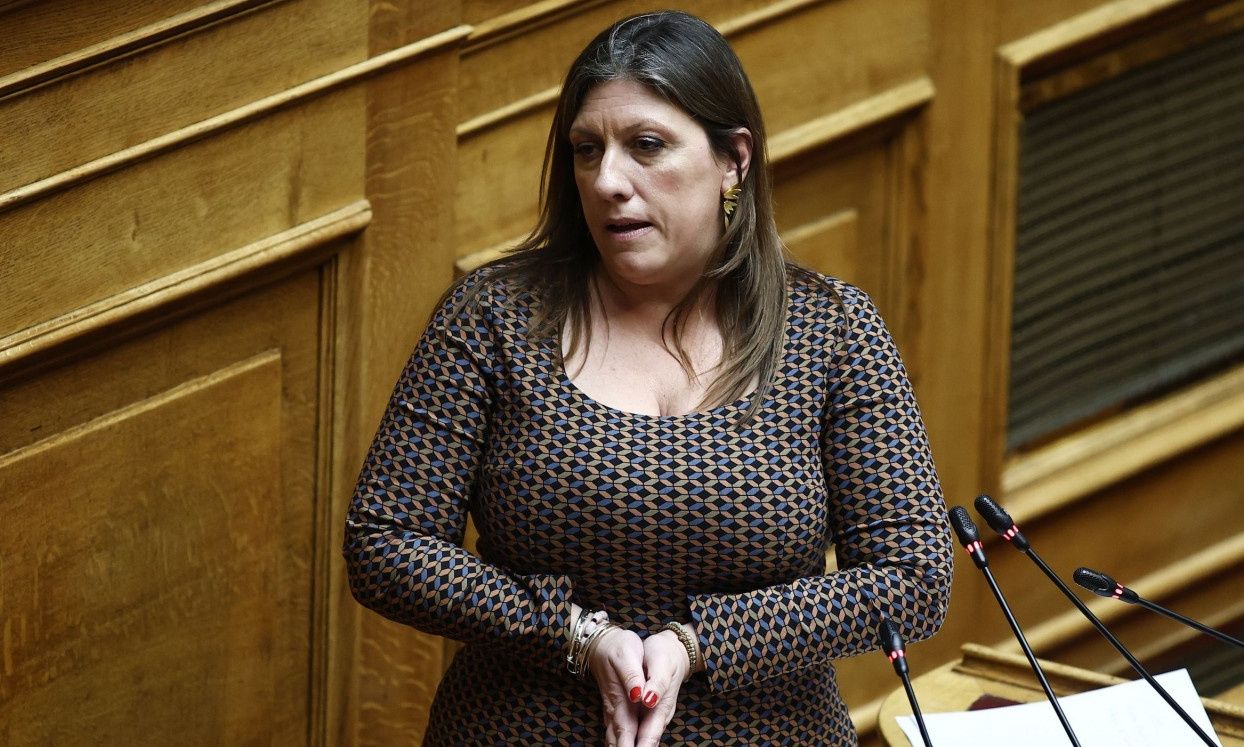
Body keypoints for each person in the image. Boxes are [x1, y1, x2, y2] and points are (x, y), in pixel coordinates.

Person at [344, 11, 952, 746]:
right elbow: (385, 541)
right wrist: (574, 634)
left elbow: (913, 576)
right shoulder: (494, 317)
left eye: (646, 146)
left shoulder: (832, 331)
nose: (607, 181)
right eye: (587, 150)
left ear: (733, 160)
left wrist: (701, 643)